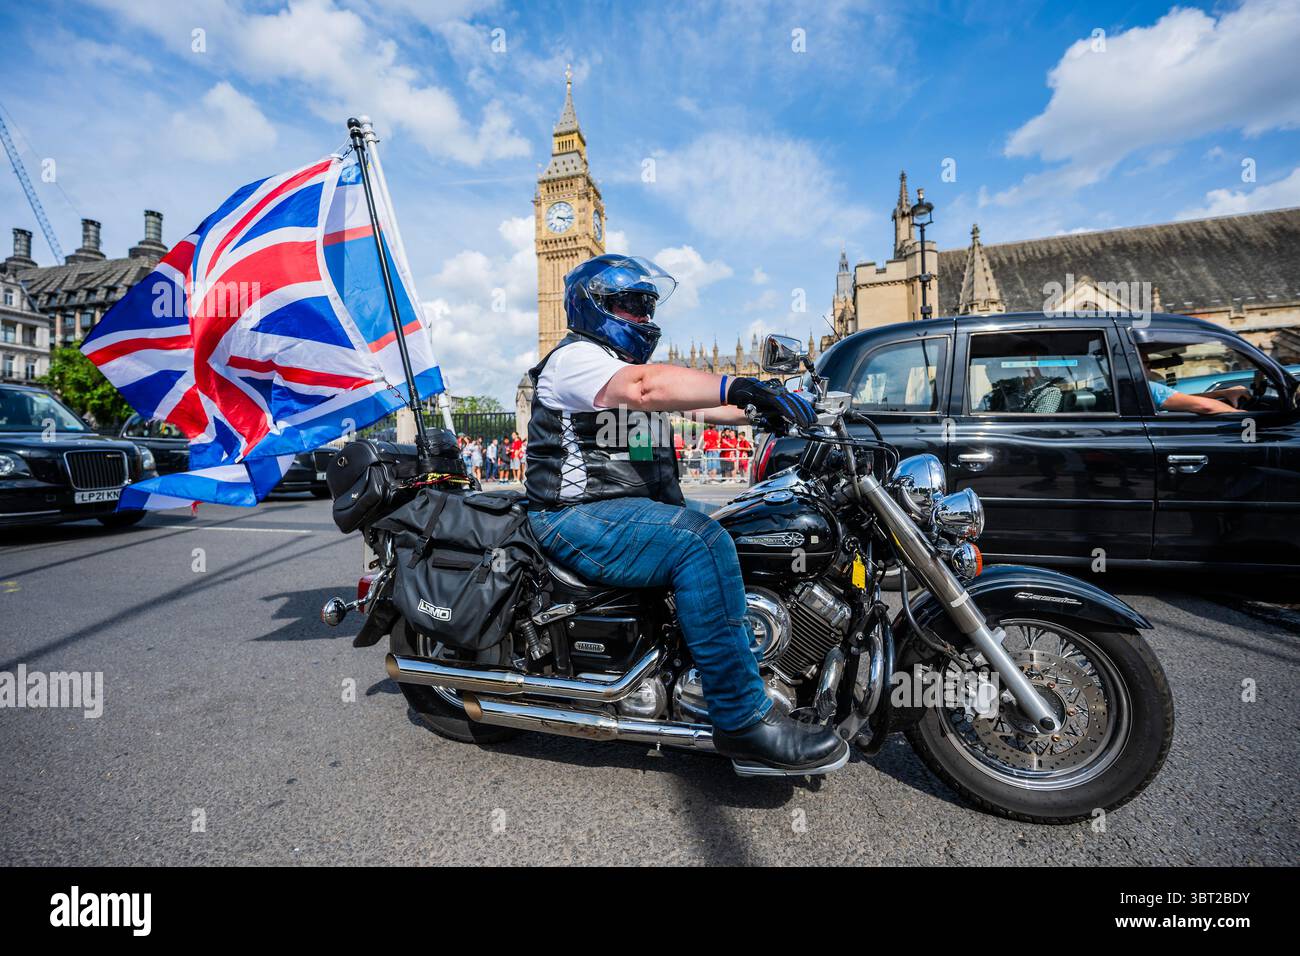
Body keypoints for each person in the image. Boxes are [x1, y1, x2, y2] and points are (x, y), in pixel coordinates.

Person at [524, 253, 847, 772]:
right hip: (576, 515)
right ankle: (741, 717)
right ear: (594, 306)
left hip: (630, 507)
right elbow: (647, 387)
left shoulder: (616, 366)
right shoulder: (577, 360)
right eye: (630, 304)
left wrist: (770, 406)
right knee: (702, 542)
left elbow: (700, 406)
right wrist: (736, 383)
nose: (643, 315)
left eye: (647, 305)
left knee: (748, 517)